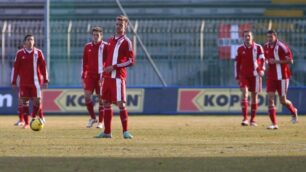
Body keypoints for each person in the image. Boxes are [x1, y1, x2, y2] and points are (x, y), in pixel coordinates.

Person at [96, 15, 135, 139]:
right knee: (106, 103)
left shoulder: (127, 42)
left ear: (125, 26)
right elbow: (107, 60)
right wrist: (103, 74)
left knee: (120, 104)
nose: (118, 26)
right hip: (107, 78)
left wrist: (115, 66)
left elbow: (131, 61)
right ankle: (107, 132)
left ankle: (125, 132)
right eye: (117, 24)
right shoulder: (111, 40)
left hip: (118, 77)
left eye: (121, 25)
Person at [11, 34, 48, 129]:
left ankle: (34, 117)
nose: (30, 41)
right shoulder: (19, 53)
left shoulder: (38, 52)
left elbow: (43, 66)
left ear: (34, 42)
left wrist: (46, 79)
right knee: (24, 102)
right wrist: (13, 81)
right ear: (25, 42)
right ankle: (27, 123)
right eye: (28, 40)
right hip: (24, 83)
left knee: (37, 101)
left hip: (36, 83)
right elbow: (15, 68)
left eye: (32, 39)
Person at [264, 30, 298, 130]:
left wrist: (277, 61)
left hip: (283, 77)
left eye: (271, 37)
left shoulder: (282, 46)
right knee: (270, 99)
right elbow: (265, 58)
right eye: (268, 37)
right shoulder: (266, 46)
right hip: (271, 77)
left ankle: (293, 111)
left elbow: (290, 61)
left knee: (282, 100)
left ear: (275, 36)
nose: (269, 39)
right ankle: (274, 124)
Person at [234, 30, 265, 127]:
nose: (247, 37)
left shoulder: (258, 47)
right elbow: (237, 63)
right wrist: (237, 76)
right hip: (243, 75)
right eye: (245, 36)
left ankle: (253, 120)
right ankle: (245, 119)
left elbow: (263, 60)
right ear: (243, 37)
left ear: (252, 37)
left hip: (255, 75)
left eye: (249, 36)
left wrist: (262, 69)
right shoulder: (239, 49)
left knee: (254, 96)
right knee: (245, 93)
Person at [82, 26, 107, 128]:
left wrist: (105, 75)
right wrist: (83, 75)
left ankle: (101, 122)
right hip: (90, 76)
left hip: (101, 76)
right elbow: (84, 62)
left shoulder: (106, 46)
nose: (95, 37)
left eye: (97, 35)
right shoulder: (87, 46)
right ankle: (93, 118)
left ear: (101, 36)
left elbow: (109, 61)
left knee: (101, 99)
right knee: (87, 96)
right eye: (94, 35)